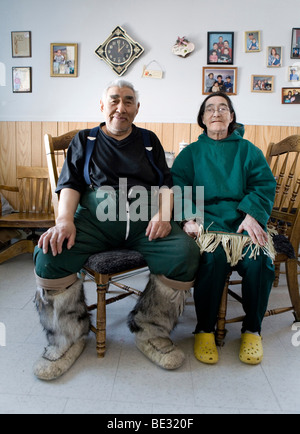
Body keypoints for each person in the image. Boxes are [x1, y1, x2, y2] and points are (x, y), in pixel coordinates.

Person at [33, 79, 200, 380]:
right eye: (114, 100)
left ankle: (151, 331)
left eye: (128, 101)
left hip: (144, 223)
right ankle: (66, 337)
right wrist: (63, 221)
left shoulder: (149, 140)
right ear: (102, 105)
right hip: (95, 222)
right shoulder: (85, 140)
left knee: (184, 252)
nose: (120, 107)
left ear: (137, 108)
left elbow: (165, 184)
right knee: (49, 254)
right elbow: (70, 184)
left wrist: (164, 215)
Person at [171, 91, 276, 366]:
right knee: (211, 259)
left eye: (222, 108)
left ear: (231, 117)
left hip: (242, 220)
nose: (216, 112)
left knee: (260, 259)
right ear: (202, 119)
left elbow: (263, 185)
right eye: (210, 109)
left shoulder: (248, 150)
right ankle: (204, 330)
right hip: (206, 223)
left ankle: (252, 330)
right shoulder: (190, 153)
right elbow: (178, 186)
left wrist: (253, 214)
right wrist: (188, 219)